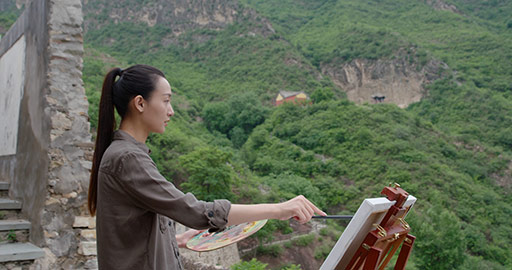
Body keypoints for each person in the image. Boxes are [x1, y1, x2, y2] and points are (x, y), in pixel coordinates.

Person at [87, 64, 326, 270]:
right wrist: (279, 209)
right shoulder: (127, 158)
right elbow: (194, 211)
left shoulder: (126, 154)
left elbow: (133, 230)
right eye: (166, 100)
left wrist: (177, 239)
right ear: (140, 103)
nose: (171, 111)